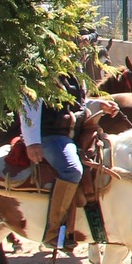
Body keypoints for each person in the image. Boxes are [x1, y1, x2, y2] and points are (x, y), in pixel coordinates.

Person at [20, 71, 91, 250]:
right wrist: (32, 141)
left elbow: (77, 105)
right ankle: (53, 232)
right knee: (72, 170)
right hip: (52, 136)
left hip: (75, 133)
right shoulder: (42, 69)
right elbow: (29, 104)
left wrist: (99, 105)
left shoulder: (72, 71)